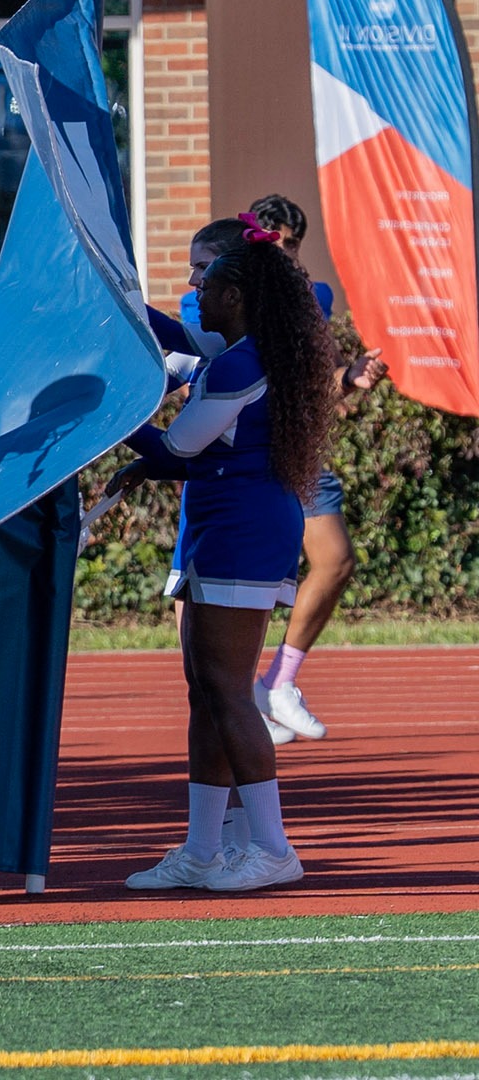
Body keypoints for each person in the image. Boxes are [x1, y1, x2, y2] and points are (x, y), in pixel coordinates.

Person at [117, 221, 340, 892]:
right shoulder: (244, 352)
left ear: (238, 296)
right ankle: (203, 848)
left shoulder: (244, 361)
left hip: (241, 531)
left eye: (206, 283)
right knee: (206, 692)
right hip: (225, 526)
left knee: (228, 690)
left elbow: (176, 449)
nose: (195, 290)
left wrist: (105, 416)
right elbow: (186, 375)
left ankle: (272, 847)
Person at [245, 193, 387, 738]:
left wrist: (349, 378)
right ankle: (241, 699)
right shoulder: (228, 294)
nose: (288, 253)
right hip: (248, 454)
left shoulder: (314, 297)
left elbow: (316, 388)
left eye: (295, 243)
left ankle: (277, 681)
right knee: (252, 584)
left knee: (335, 560)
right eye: (277, 242)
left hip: (298, 452)